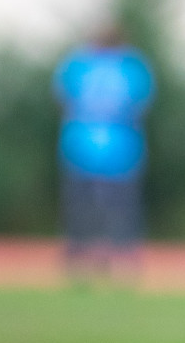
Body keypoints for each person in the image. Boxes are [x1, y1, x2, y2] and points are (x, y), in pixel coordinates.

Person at [53, 24, 156, 281]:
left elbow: (63, 100)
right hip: (122, 145)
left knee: (81, 205)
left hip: (80, 142)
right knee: (121, 206)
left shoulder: (77, 63)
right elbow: (142, 105)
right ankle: (122, 259)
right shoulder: (132, 65)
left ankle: (79, 260)